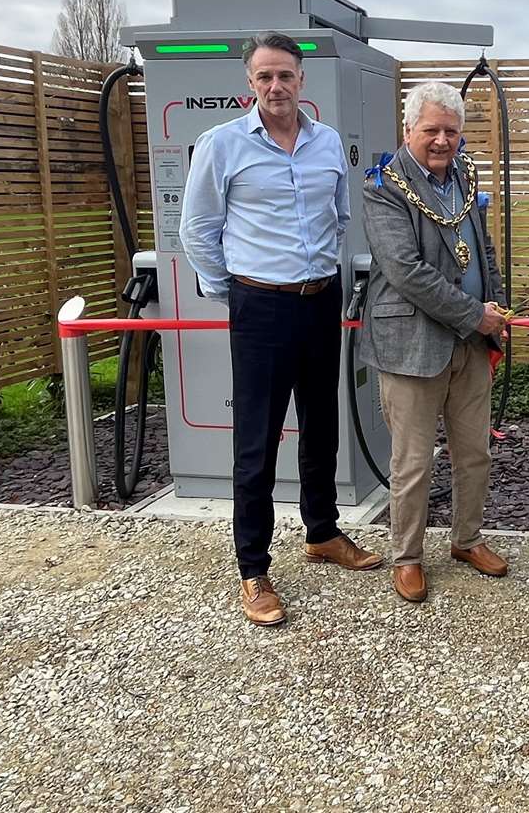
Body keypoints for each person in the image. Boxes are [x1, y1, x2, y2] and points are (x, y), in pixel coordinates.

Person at [180, 31, 382, 628]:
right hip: (259, 309)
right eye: (264, 76)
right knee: (258, 440)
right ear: (250, 83)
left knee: (321, 427)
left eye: (285, 75)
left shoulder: (325, 145)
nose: (276, 86)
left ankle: (321, 531)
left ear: (301, 79)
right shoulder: (220, 146)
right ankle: (253, 568)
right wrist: (234, 293)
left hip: (320, 301)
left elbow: (341, 217)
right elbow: (198, 230)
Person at [361, 80, 510, 604]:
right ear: (408, 130)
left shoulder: (464, 177)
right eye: (432, 130)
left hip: (470, 344)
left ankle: (466, 540)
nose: (443, 140)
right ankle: (407, 557)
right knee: (414, 462)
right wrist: (476, 315)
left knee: (474, 454)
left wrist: (498, 302)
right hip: (412, 344)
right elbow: (406, 271)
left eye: (451, 130)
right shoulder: (383, 186)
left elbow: (483, 249)